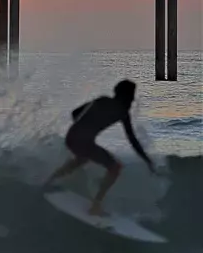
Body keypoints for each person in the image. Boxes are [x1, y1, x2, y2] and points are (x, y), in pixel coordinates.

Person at [44, 79, 155, 216]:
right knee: (115, 167)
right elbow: (132, 140)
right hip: (83, 142)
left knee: (82, 159)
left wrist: (84, 126)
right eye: (131, 96)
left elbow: (74, 113)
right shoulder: (123, 113)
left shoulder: (102, 100)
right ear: (124, 96)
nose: (132, 100)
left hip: (72, 137)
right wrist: (146, 159)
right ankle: (95, 207)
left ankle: (49, 181)